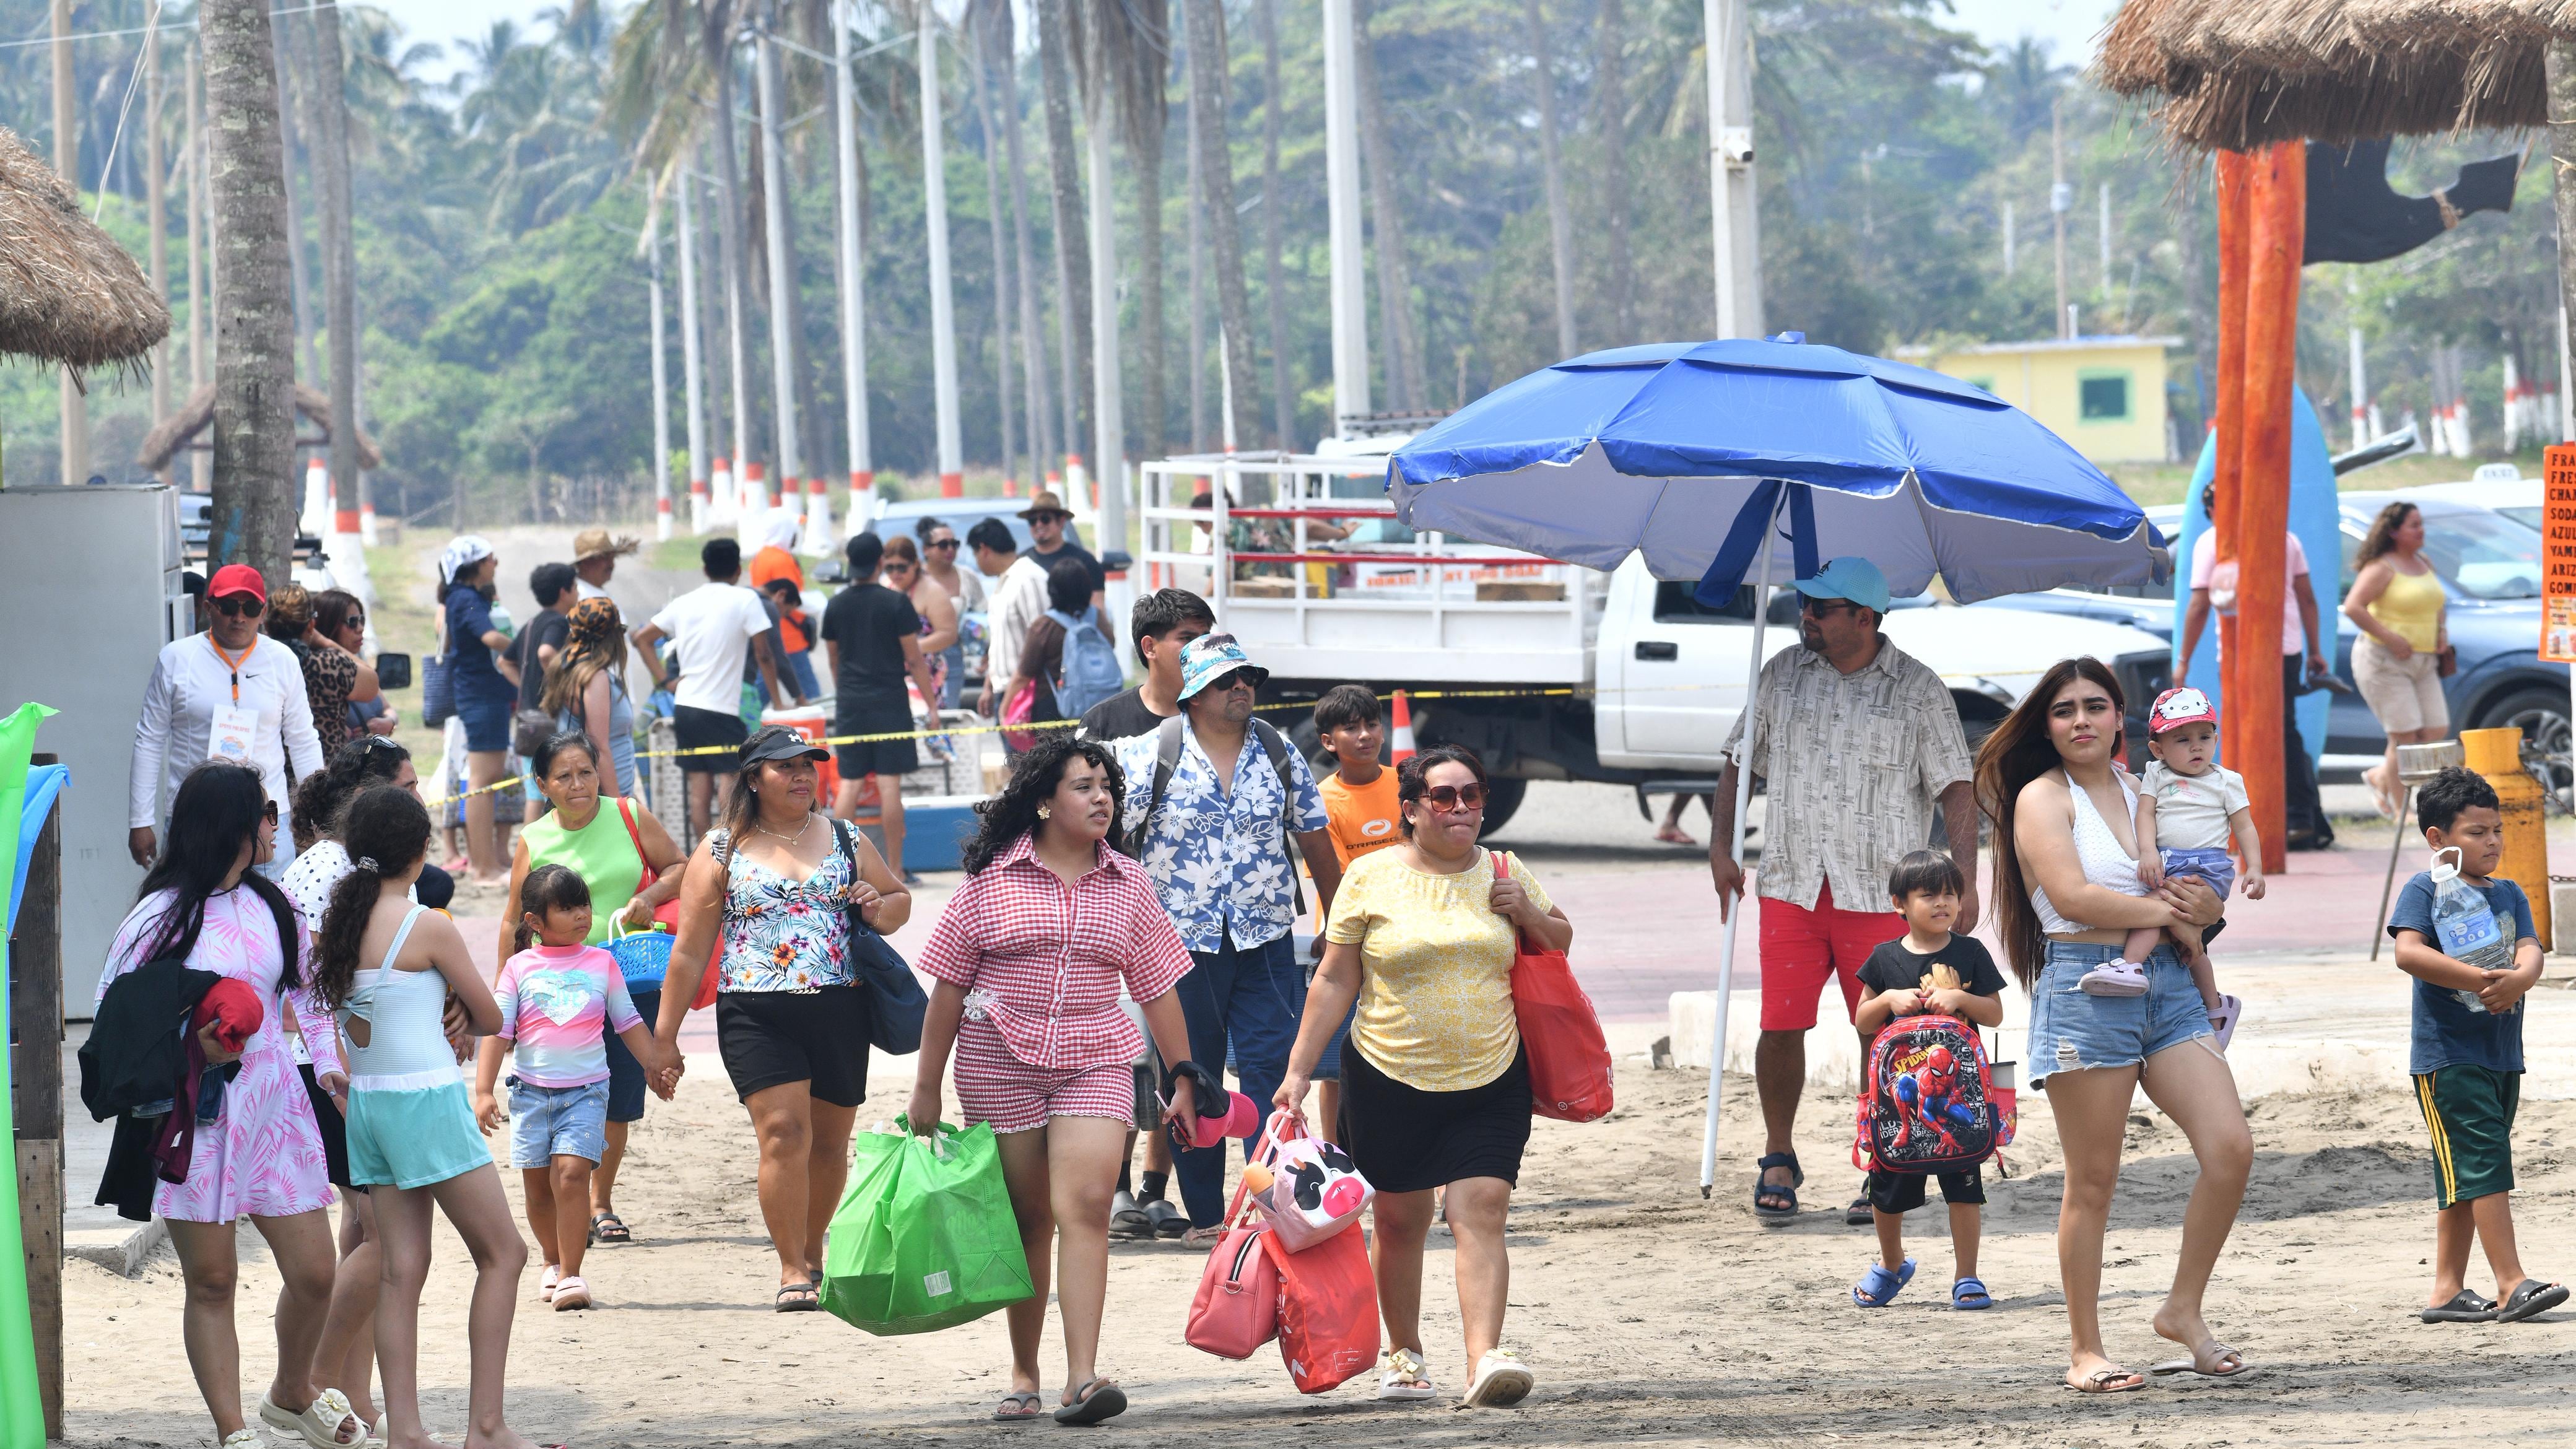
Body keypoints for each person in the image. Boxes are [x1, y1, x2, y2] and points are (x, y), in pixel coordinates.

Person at [908, 737, 1201, 1424]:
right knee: (1028, 1219)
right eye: (1082, 786)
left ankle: (1083, 1377)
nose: (1100, 797)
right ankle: (1023, 1370)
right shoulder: (990, 884)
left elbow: (1157, 988)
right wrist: (925, 1087)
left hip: (1096, 1057)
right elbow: (947, 990)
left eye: (1106, 786)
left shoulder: (1130, 884)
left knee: (1090, 1204)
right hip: (996, 1062)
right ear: (1044, 801)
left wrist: (1185, 1074)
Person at [1276, 744, 1566, 1408]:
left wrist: (1524, 910)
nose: (1461, 807)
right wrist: (1296, 1073)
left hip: (1491, 1072)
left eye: (1472, 794)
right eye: (1443, 797)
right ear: (1409, 810)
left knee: (1481, 1209)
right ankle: (1404, 1356)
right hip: (1386, 1074)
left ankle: (1484, 1358)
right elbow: (1333, 978)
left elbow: (1559, 940)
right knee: (1401, 1221)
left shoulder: (1502, 868)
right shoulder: (1369, 877)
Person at [1980, 656, 2242, 1393]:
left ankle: (2180, 1310)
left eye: (2094, 706)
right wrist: (2171, 913)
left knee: (2229, 1148)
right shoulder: (2040, 798)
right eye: (2064, 710)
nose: (2081, 720)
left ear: (2120, 718)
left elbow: (2205, 884)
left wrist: (2207, 911)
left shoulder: (2148, 788)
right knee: (2092, 1181)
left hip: (2167, 983)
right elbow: (2075, 896)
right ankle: (2083, 1350)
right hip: (2084, 988)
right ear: (2048, 726)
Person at [99, 762, 365, 1449]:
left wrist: (332, 1071)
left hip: (278, 1105)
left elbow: (307, 993)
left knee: (315, 1273)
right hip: (198, 1114)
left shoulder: (275, 904)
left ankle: (290, 1393)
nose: (273, 828)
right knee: (212, 1279)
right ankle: (233, 1430)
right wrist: (193, 1045)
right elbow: (113, 1012)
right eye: (263, 815)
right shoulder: (159, 916)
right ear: (234, 828)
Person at [1706, 557, 1977, 1229]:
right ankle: (1778, 1155)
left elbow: (1956, 789)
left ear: (1864, 617)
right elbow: (1738, 762)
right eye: (1804, 604)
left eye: (1821, 609)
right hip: (1792, 885)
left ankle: (1880, 1156)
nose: (1806, 618)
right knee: (1780, 1024)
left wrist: (1964, 881)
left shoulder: (1917, 689)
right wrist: (1720, 849)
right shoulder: (1779, 675)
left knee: (1885, 1033)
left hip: (1884, 895)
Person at [310, 786, 545, 1449]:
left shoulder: (344, 923)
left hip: (371, 1106)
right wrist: (460, 1009)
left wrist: (446, 1005)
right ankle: (487, 1425)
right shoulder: (428, 925)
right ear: (421, 852)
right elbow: (495, 1017)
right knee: (504, 1253)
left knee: (399, 1269)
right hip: (424, 1100)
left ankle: (405, 1429)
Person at [653, 726, 911, 1310]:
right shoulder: (719, 850)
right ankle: (792, 1268)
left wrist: (876, 904)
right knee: (783, 1133)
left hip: (841, 1008)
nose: (802, 775)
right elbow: (691, 952)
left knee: (829, 1143)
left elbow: (899, 902)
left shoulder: (845, 836)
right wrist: (662, 1040)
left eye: (808, 765)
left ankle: (815, 1251)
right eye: (785, 766)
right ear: (753, 778)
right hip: (754, 1012)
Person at [1113, 634, 1344, 1229]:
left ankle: (1277, 1208)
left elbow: (1314, 837)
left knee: (1274, 1071)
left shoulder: (1276, 749)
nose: (1242, 687)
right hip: (1178, 949)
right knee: (1192, 1078)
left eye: (1248, 678)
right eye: (1226, 680)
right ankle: (1208, 1219)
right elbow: (1107, 841)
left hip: (1263, 939)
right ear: (1193, 694)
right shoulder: (1149, 754)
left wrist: (1337, 922)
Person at [279, 736, 455, 1445]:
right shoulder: (328, 869)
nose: (417, 800)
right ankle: (309, 1383)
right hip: (328, 1068)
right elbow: (313, 990)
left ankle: (349, 1391)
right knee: (385, 1234)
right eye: (406, 788)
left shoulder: (353, 866)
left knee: (363, 1228)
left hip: (349, 1065)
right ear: (368, 799)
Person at [2385, 765, 2567, 1326]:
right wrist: (2481, 981)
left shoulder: (2509, 892)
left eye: (2497, 830)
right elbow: (2409, 953)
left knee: (2465, 1172)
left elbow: (2533, 948)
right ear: (2438, 839)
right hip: (2449, 1058)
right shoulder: (2425, 888)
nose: (2492, 842)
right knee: (2486, 1161)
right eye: (2476, 832)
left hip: (2502, 1055)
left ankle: (2446, 1290)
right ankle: (2511, 1282)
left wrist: (2521, 978)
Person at [502, 730, 689, 1246]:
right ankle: (573, 1206)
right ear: (542, 784)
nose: (578, 784)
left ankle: (598, 1201)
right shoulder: (534, 840)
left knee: (619, 1095)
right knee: (565, 1091)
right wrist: (506, 999)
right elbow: (512, 921)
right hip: (556, 991)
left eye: (586, 772)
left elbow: (681, 865)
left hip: (629, 974)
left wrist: (649, 896)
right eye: (563, 776)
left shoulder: (629, 814)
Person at [472, 863, 672, 1312]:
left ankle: (572, 1273)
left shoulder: (602, 961)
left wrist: (654, 1066)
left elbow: (629, 1023)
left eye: (584, 904)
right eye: (567, 908)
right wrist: (484, 1090)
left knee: (572, 1175)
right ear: (535, 923)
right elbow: (499, 1032)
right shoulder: (520, 968)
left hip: (586, 1093)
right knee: (538, 1189)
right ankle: (551, 1260)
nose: (583, 914)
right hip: (529, 1094)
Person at [1848, 849, 2007, 1312]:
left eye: (1950, 894)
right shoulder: (1883, 959)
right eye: (1928, 895)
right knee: (1888, 1185)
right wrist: (1888, 1000)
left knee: (1964, 1187)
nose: (1942, 904)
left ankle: (1967, 1275)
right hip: (1900, 1100)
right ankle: (1892, 1263)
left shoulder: (1970, 953)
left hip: (1959, 1094)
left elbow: (1995, 1014)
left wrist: (1960, 996)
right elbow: (1862, 1021)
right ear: (1900, 903)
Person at [129, 562, 326, 874]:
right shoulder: (177, 659)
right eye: (228, 606)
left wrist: (319, 817)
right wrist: (140, 821)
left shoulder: (282, 661)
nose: (239, 617)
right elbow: (149, 740)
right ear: (209, 608)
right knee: (195, 911)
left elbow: (303, 741)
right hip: (196, 817)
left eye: (250, 607)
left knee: (272, 913)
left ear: (263, 612)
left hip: (267, 819)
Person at [2174, 487, 2331, 847]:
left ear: (2214, 511)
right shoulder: (2283, 538)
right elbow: (2306, 597)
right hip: (2283, 648)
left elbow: (2199, 605)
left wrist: (2182, 660)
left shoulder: (2213, 542)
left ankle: (2283, 815)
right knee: (2282, 731)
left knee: (2253, 732)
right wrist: (2314, 650)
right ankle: (2296, 815)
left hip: (2244, 652)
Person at [632, 537, 790, 838]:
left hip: (686, 706)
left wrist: (665, 681)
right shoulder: (746, 600)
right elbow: (765, 654)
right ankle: (729, 846)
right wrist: (779, 702)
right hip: (721, 709)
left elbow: (642, 639)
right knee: (730, 781)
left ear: (705, 568)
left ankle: (706, 853)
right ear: (738, 570)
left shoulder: (685, 602)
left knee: (698, 787)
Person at [2123, 687, 2263, 1017]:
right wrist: (2148, 852)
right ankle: (2215, 1007)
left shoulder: (2226, 781)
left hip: (2209, 866)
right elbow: (2145, 814)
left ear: (2216, 737)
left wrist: (2254, 867)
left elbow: (2244, 826)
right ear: (2158, 749)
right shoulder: (2156, 774)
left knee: (2156, 909)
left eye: (2205, 736)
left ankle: (2128, 965)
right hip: (2166, 860)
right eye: (2182, 740)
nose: (2197, 746)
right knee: (2186, 942)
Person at [821, 532, 943, 878]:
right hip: (890, 702)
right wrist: (932, 706)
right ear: (879, 563)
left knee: (851, 784)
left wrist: (846, 690)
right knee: (891, 786)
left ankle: (838, 868)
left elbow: (833, 659)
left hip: (851, 703)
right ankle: (896, 869)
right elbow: (916, 660)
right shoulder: (896, 603)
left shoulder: (837, 604)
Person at [1310, 683, 1398, 1138]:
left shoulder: (1409, 784)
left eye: (1372, 724)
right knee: (1336, 1062)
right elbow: (1339, 884)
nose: (1365, 735)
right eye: (1350, 728)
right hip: (1348, 936)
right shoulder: (1321, 801)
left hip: (1408, 932)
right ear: (1328, 741)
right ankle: (1336, 1156)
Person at [2345, 500, 2452, 819]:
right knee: (2404, 735)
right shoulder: (2382, 567)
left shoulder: (2424, 562)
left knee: (2435, 727)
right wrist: (2390, 638)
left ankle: (2380, 776)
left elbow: (2436, 601)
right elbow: (2354, 607)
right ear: (2394, 532)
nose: (2421, 531)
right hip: (2383, 660)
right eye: (2414, 525)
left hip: (2424, 660)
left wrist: (2442, 630)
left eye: (2421, 524)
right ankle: (2398, 806)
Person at [438, 536, 523, 883]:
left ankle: (486, 861)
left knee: (486, 781)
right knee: (483, 781)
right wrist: (526, 647)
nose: (495, 564)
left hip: (485, 695)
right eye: (490, 558)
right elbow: (490, 638)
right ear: (474, 564)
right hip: (482, 695)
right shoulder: (466, 598)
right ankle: (482, 866)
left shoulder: (465, 598)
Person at [1079, 588, 1214, 743]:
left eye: (1205, 638)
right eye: (1187, 638)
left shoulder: (1222, 713)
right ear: (1149, 647)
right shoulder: (1101, 723)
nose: (1201, 647)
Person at [539, 598, 639, 800]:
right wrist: (618, 806)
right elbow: (598, 746)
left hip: (591, 795)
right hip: (604, 797)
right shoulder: (595, 678)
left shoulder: (570, 670)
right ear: (613, 637)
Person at [1003, 559, 1112, 737]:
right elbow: (1111, 644)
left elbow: (1023, 675)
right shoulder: (1097, 618)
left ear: (1052, 590)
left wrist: (1005, 709)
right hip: (1099, 706)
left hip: (1053, 710)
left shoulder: (1044, 626)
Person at [511, 562, 578, 824]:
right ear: (564, 592)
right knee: (549, 793)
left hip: (528, 720)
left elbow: (505, 662)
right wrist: (557, 687)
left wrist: (527, 685)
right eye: (575, 588)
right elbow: (546, 653)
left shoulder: (530, 624)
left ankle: (529, 855)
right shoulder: (559, 623)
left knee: (534, 792)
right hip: (549, 721)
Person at [973, 517, 1051, 725]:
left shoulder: (1028, 578)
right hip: (1009, 692)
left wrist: (1011, 699)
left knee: (1030, 757)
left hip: (1030, 695)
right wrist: (989, 687)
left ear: (984, 549)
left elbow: (1042, 642)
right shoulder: (1006, 581)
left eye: (975, 555)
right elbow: (1003, 643)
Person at [882, 534, 961, 708]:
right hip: (893, 675)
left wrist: (911, 648)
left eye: (902, 568)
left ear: (916, 564)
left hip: (927, 674)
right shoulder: (886, 587)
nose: (895, 574)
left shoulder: (933, 591)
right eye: (889, 568)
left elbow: (948, 634)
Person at [750, 512, 822, 700]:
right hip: (789, 635)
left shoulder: (761, 557)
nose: (796, 535)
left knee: (764, 684)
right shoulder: (781, 560)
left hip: (771, 631)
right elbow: (792, 597)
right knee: (810, 694)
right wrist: (821, 604)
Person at [303, 590, 381, 759]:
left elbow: (385, 704)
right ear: (328, 623)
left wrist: (389, 724)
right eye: (352, 622)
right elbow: (372, 679)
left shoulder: (352, 663)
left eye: (362, 620)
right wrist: (327, 643)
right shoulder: (326, 665)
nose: (360, 628)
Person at [914, 517, 984, 703]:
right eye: (943, 545)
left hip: (954, 656)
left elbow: (983, 617)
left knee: (949, 715)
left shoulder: (967, 576)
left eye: (955, 544)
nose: (950, 550)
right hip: (917, 658)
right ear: (926, 549)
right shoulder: (913, 578)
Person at [1020, 489, 1104, 611]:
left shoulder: (1085, 561)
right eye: (1033, 521)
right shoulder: (1022, 563)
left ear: (1061, 521)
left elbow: (1098, 609)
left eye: (1045, 519)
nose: (1039, 525)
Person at [570, 528, 637, 603]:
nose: (611, 565)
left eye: (612, 558)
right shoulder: (582, 598)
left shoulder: (594, 593)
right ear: (586, 563)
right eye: (605, 558)